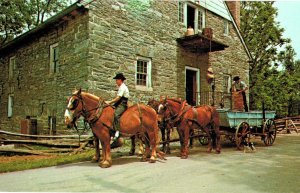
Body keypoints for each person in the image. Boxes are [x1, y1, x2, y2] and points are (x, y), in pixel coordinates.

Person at [105, 73, 130, 141]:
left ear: (120, 80)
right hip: (119, 103)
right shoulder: (121, 87)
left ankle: (118, 132)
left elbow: (118, 98)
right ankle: (112, 130)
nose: (116, 82)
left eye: (116, 80)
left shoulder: (123, 87)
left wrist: (109, 102)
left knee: (116, 114)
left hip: (122, 104)